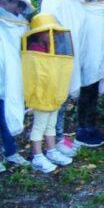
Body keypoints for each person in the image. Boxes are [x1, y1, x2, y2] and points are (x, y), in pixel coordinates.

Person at [36, 0, 86, 157]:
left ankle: (59, 137)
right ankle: (55, 141)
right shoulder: (51, 0)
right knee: (58, 100)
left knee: (63, 100)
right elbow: (48, 33)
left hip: (68, 56)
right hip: (58, 59)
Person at [22, 14, 76, 172]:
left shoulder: (48, 48)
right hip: (41, 95)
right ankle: (37, 156)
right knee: (39, 126)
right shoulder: (35, 50)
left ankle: (51, 151)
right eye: (48, 32)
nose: (52, 36)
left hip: (53, 92)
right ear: (39, 33)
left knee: (51, 125)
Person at [73, 0, 104, 148]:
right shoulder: (75, 6)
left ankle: (91, 127)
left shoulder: (97, 5)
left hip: (98, 55)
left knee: (93, 92)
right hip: (85, 57)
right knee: (86, 93)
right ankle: (82, 130)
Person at [0, 0, 35, 169]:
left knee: (8, 114)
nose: (8, 3)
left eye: (14, 2)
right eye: (8, 0)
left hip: (12, 75)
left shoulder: (21, 23)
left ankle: (11, 152)